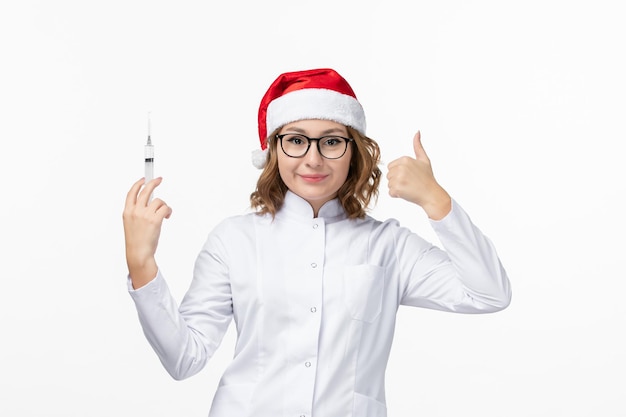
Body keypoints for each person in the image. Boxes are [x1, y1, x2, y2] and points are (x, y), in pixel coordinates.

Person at [123, 68, 512, 417]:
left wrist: (436, 201)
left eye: (330, 142)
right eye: (296, 140)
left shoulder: (389, 246)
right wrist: (142, 265)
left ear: (353, 152)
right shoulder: (234, 240)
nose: (313, 159)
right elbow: (183, 359)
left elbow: (489, 294)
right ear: (274, 150)